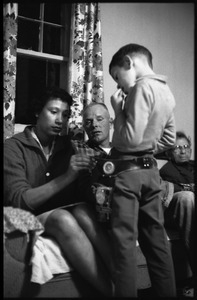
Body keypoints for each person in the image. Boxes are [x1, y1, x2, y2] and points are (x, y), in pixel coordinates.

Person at [4, 86, 113, 296]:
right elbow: (19, 201)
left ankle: (124, 283)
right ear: (38, 112)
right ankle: (113, 293)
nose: (60, 120)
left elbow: (94, 173)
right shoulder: (13, 148)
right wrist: (67, 176)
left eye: (65, 115)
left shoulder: (69, 146)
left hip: (57, 213)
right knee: (62, 218)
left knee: (82, 210)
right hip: (19, 218)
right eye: (53, 112)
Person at [108, 43, 177, 297]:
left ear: (129, 63)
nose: (118, 85)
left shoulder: (139, 87)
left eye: (117, 77)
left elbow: (130, 139)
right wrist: (149, 148)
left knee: (124, 244)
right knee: (157, 241)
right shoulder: (166, 91)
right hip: (151, 173)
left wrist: (117, 111)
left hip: (128, 174)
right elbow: (169, 140)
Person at [159, 131, 195, 293]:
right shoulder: (167, 171)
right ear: (169, 152)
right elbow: (172, 194)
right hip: (174, 211)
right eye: (177, 148)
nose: (183, 151)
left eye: (186, 146)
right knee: (187, 197)